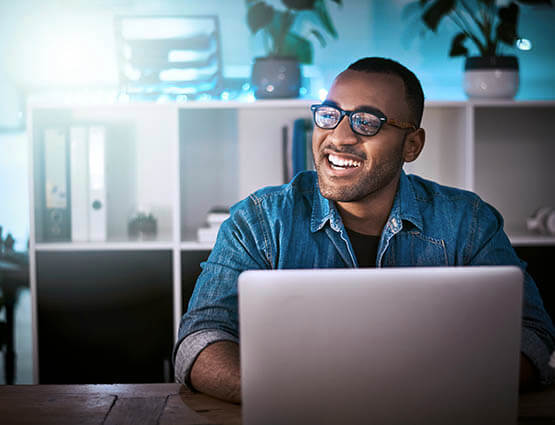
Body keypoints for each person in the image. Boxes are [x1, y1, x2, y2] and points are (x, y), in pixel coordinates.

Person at [173, 57, 555, 403]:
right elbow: (200, 339)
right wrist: (290, 395)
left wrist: (429, 391)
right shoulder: (258, 221)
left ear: (412, 145)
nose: (339, 137)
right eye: (329, 115)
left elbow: (531, 336)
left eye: (367, 122)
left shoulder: (469, 222)